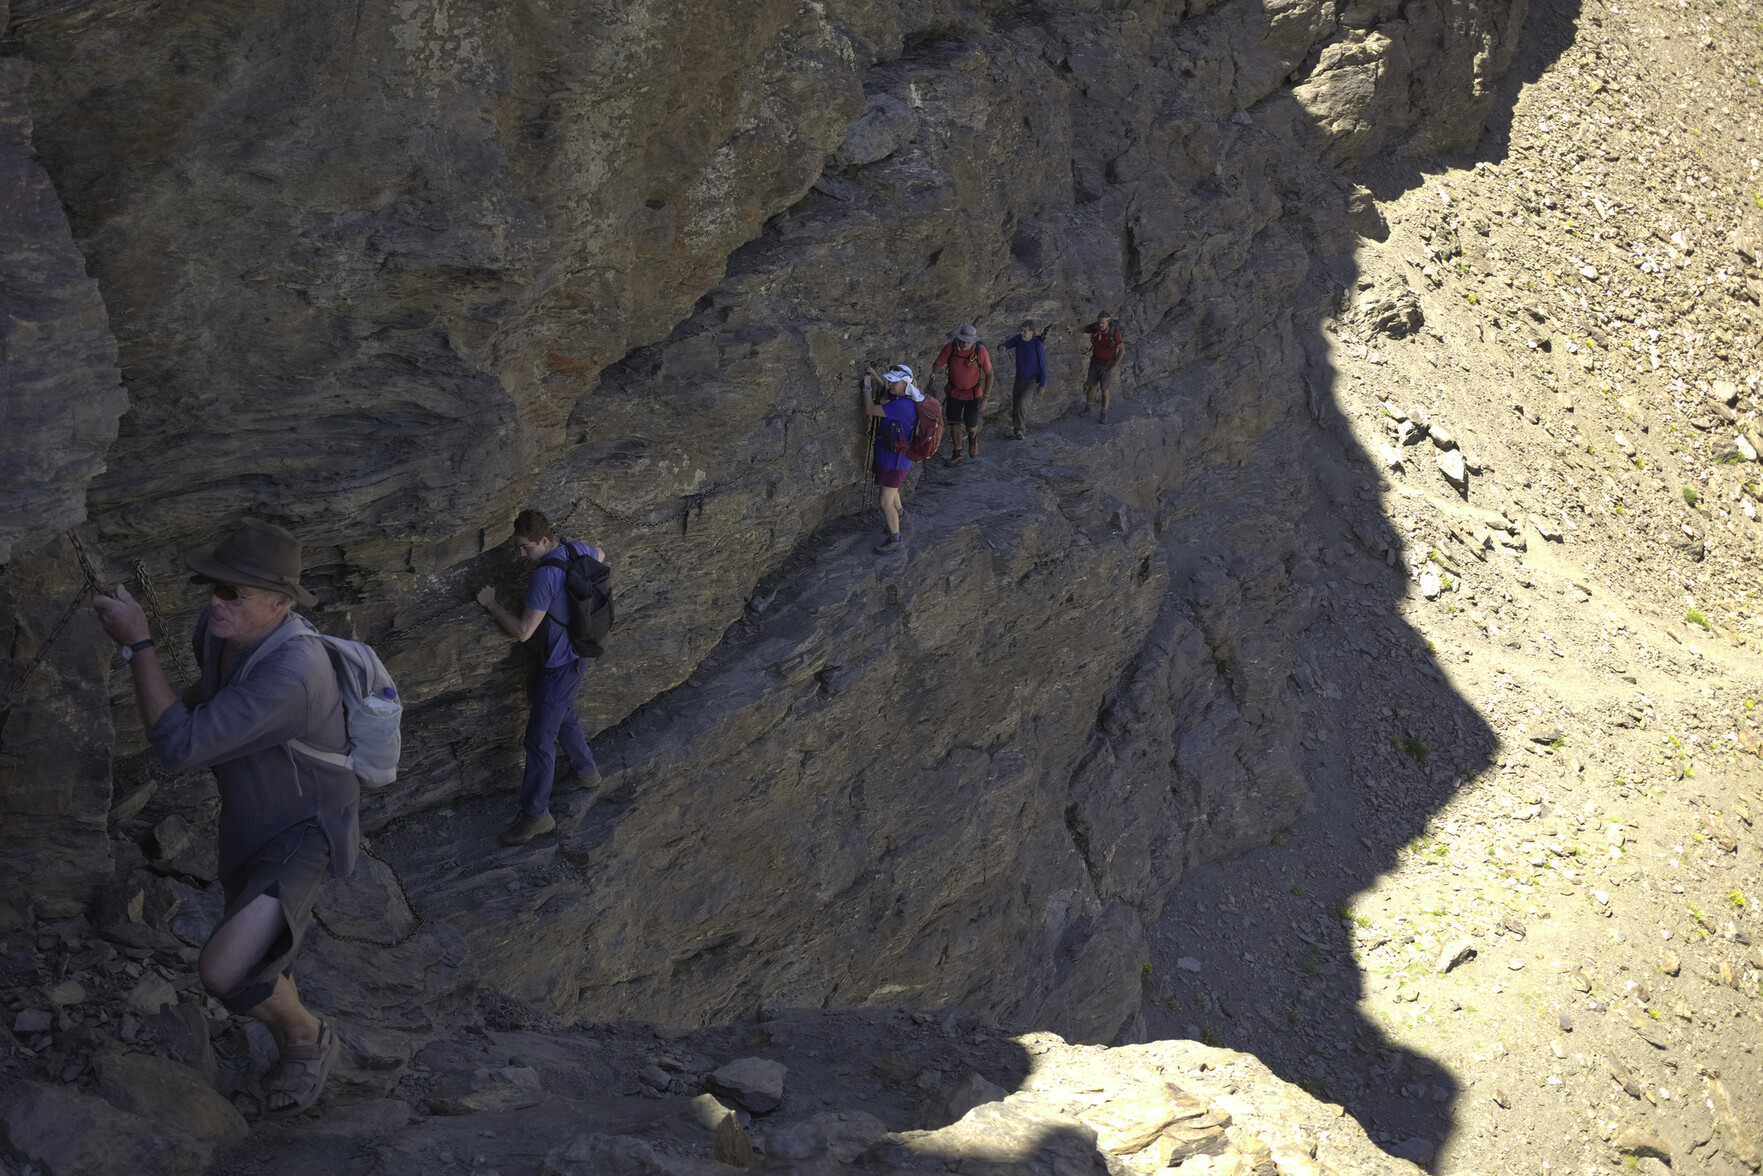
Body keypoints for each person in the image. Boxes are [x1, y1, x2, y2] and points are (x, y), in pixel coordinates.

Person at [92, 519, 356, 1120]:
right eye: (212, 585)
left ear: (280, 602)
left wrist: (137, 645)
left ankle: (308, 1039)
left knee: (224, 968)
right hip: (250, 821)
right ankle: (292, 1028)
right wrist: (183, 706)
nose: (215, 599)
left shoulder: (295, 674)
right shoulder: (219, 632)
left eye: (233, 592)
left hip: (305, 829)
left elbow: (178, 751)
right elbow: (208, 691)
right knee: (253, 960)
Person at [475, 510, 604, 846]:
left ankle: (536, 816)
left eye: (525, 547)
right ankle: (585, 771)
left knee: (538, 739)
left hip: (561, 664)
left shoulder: (544, 577)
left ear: (544, 541)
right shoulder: (577, 549)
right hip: (582, 651)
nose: (521, 554)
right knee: (561, 713)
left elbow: (522, 631)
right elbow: (601, 555)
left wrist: (491, 605)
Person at [863, 365, 922, 555]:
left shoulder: (900, 406)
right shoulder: (907, 398)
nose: (890, 384)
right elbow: (891, 393)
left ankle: (895, 538)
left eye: (894, 382)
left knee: (885, 502)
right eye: (889, 381)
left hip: (894, 462)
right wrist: (876, 378)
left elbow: (870, 409)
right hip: (896, 459)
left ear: (905, 384)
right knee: (891, 490)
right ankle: (902, 516)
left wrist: (866, 386)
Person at [930, 323, 993, 463]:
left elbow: (989, 374)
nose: (965, 344)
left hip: (973, 395)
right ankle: (957, 452)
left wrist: (986, 398)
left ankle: (972, 439)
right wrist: (935, 372)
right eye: (962, 340)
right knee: (954, 422)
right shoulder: (950, 348)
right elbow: (938, 363)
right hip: (953, 392)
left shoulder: (980, 352)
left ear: (973, 341)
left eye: (968, 342)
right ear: (958, 338)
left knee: (971, 425)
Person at [999, 321, 1049, 439]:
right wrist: (1002, 347)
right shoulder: (1018, 339)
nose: (1022, 333)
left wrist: (1042, 384)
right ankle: (1017, 430)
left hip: (1032, 381)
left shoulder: (1038, 345)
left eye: (1025, 331)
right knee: (1016, 405)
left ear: (1032, 332)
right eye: (1021, 330)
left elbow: (1043, 365)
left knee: (1022, 403)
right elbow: (1007, 344)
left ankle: (1020, 430)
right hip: (1019, 379)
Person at [1080, 310, 1127, 424]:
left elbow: (1121, 349)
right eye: (1099, 322)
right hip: (1095, 362)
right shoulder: (1095, 327)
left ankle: (1103, 413)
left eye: (1103, 323)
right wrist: (1073, 330)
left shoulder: (1114, 333)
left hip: (1107, 364)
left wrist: (1115, 366)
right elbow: (1085, 328)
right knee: (1091, 386)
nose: (1100, 325)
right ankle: (1088, 408)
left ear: (1108, 322)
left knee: (1104, 389)